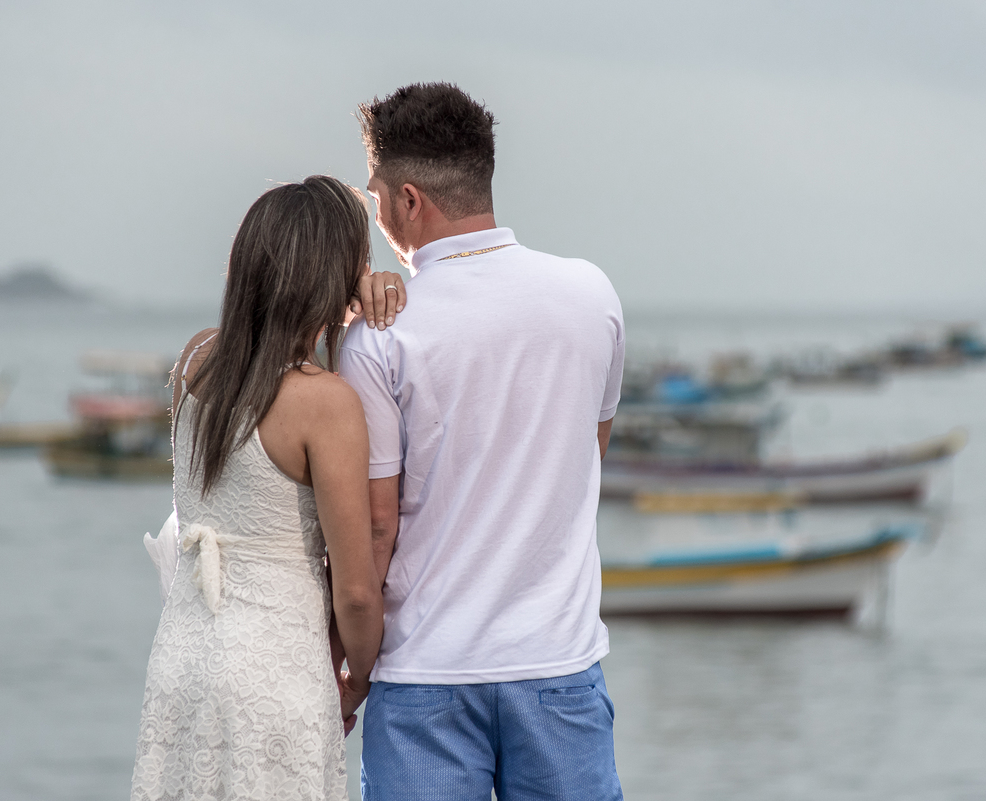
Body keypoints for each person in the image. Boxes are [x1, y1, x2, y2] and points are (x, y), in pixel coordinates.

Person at [340, 83, 627, 800]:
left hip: (426, 677)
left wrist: (354, 674)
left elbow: (378, 529)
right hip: (556, 663)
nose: (376, 217)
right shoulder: (594, 296)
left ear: (410, 200)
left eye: (375, 198)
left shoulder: (378, 336)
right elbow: (587, 459)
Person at [130, 175, 405, 801]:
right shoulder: (326, 403)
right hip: (273, 675)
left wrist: (342, 302)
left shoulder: (198, 358)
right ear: (334, 274)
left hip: (184, 657)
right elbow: (357, 594)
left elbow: (270, 382)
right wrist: (357, 678)